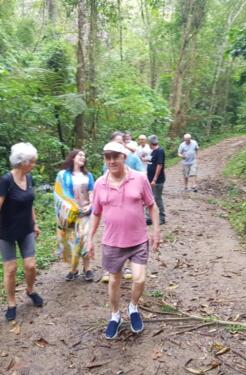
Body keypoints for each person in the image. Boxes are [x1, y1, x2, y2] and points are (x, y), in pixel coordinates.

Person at [88, 141, 160, 339]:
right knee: (113, 282)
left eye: (115, 156)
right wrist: (89, 238)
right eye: (107, 157)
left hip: (138, 240)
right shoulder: (100, 184)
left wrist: (156, 231)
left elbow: (152, 206)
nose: (111, 161)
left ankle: (133, 307)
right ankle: (115, 315)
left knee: (139, 279)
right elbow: (95, 213)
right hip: (112, 242)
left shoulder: (139, 179)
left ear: (124, 157)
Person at [0, 142, 44, 321]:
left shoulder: (29, 178)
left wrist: (35, 223)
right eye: (32, 161)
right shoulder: (5, 181)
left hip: (26, 228)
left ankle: (31, 291)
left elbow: (29, 203)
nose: (34, 164)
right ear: (23, 162)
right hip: (7, 231)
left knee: (31, 265)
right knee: (11, 269)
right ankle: (11, 303)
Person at [101, 131, 145, 283]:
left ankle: (126, 266)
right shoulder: (108, 162)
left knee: (128, 234)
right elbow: (103, 178)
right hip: (112, 207)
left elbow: (142, 174)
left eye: (122, 143)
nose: (120, 145)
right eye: (117, 142)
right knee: (114, 235)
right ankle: (109, 268)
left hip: (130, 200)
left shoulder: (132, 158)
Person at [54, 150, 95, 282]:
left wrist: (90, 205)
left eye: (84, 156)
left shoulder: (88, 175)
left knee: (83, 238)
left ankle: (87, 268)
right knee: (71, 241)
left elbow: (92, 191)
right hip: (69, 214)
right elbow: (59, 194)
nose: (83, 157)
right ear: (73, 158)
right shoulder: (63, 175)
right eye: (80, 155)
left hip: (85, 213)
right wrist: (71, 207)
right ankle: (73, 269)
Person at [147, 135, 166, 225]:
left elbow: (159, 165)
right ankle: (150, 218)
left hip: (157, 181)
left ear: (150, 143)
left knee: (157, 198)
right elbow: (153, 163)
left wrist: (154, 179)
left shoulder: (160, 151)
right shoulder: (153, 152)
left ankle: (162, 217)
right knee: (150, 198)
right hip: (150, 179)